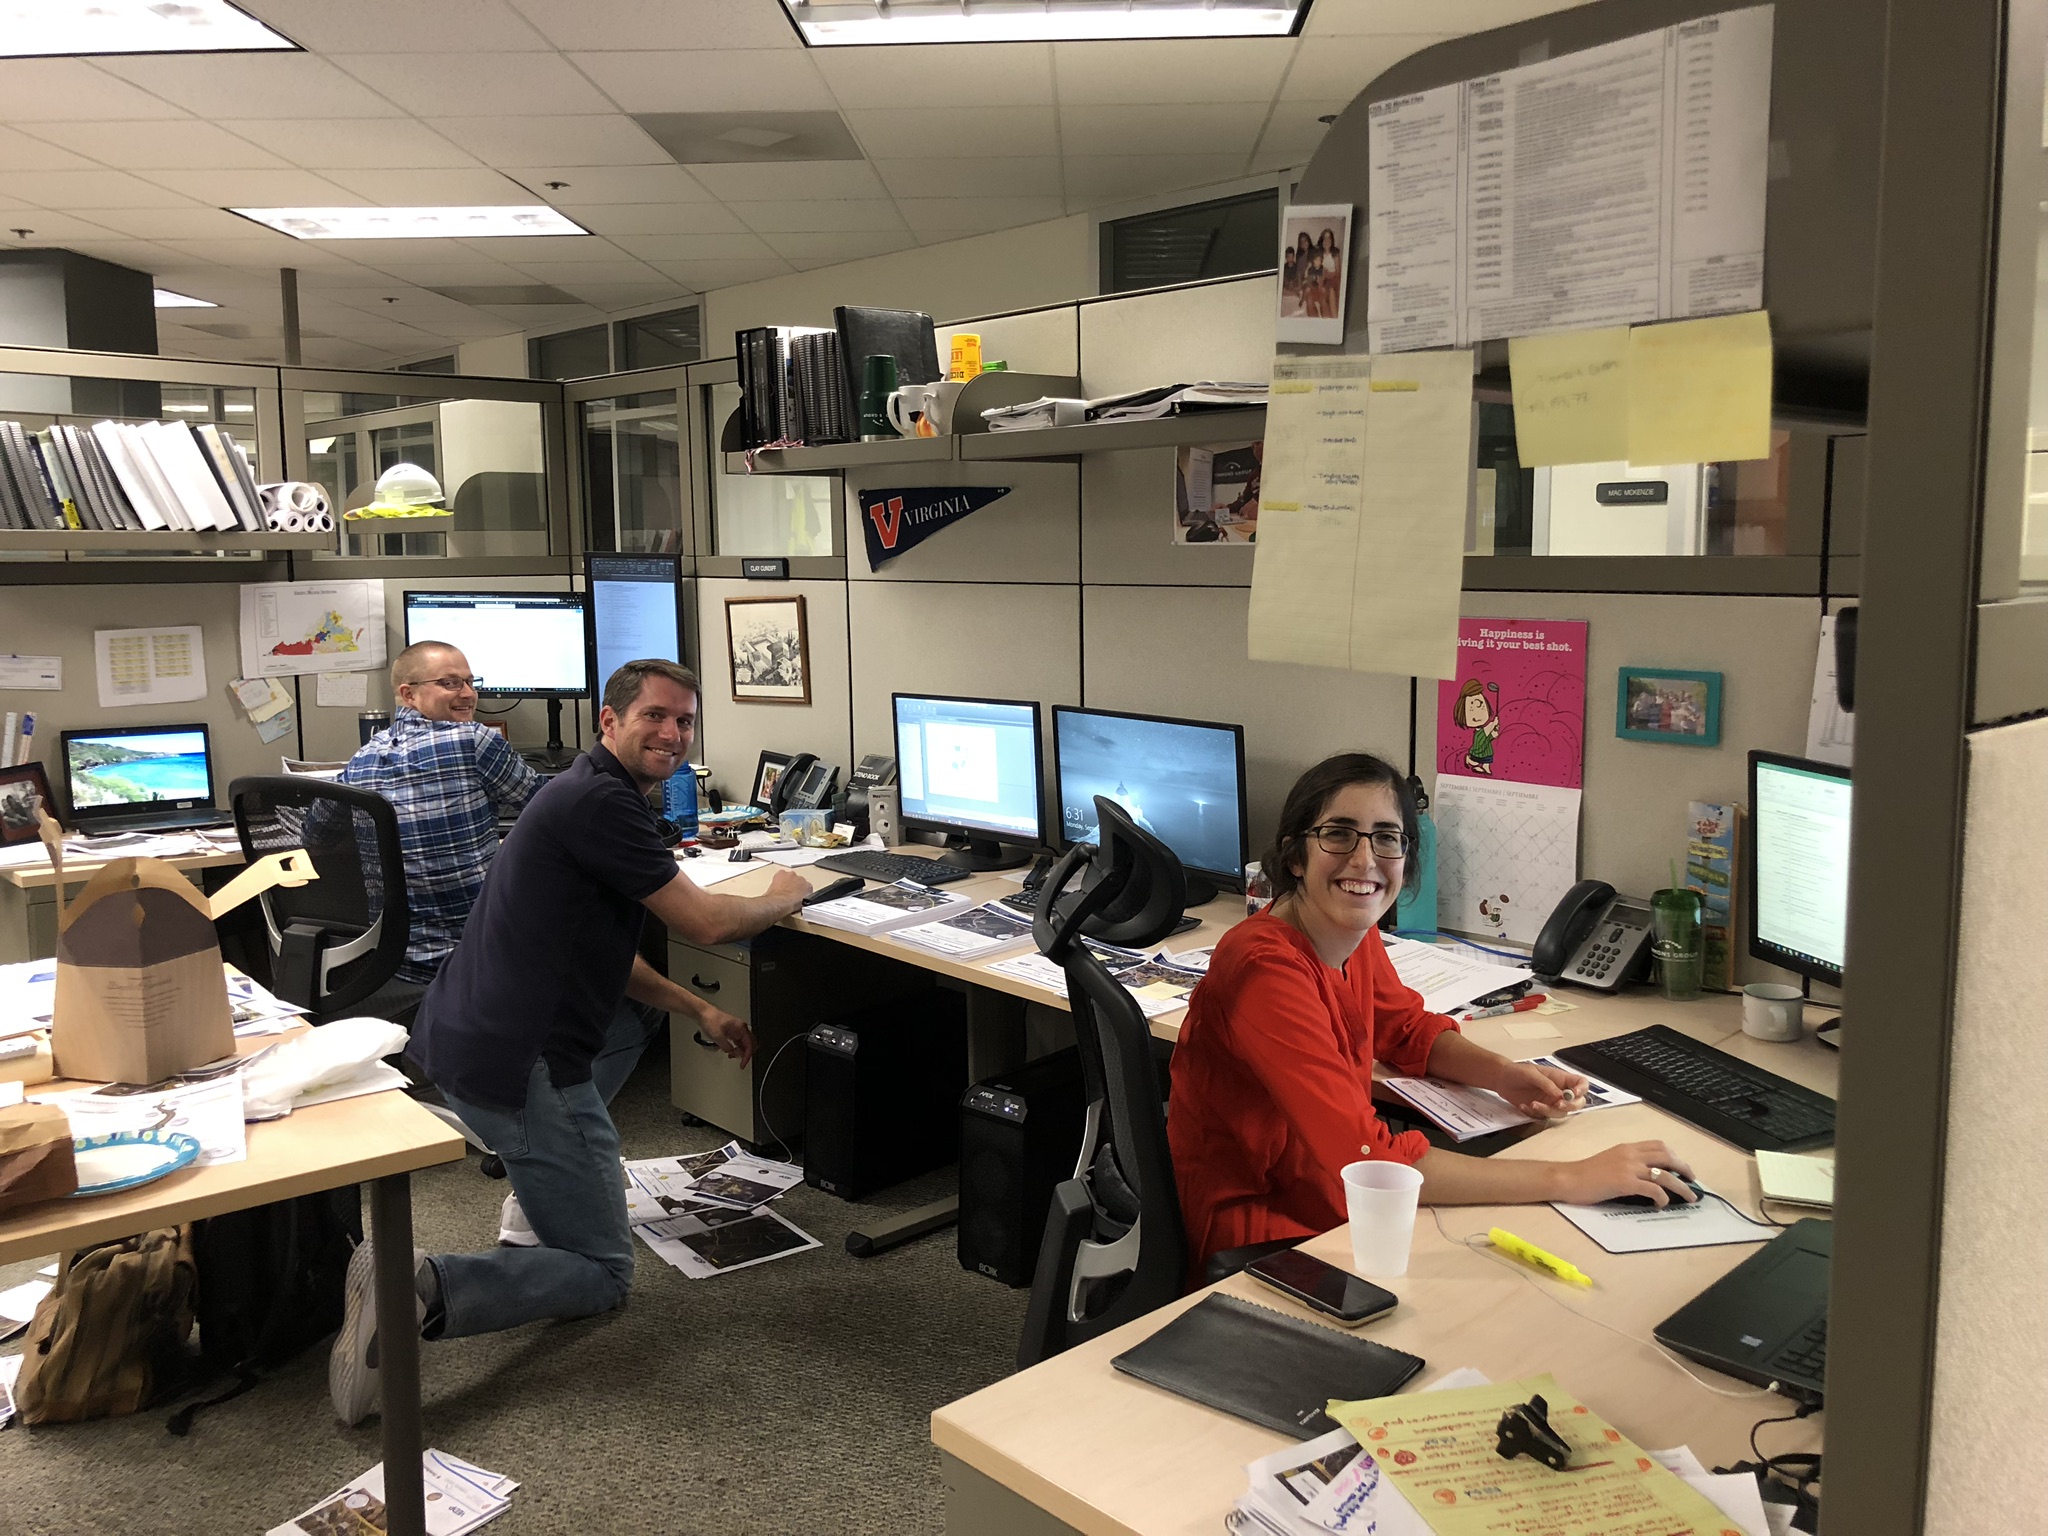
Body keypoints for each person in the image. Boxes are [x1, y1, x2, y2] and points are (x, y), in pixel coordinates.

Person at [328, 659, 812, 1426]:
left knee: (640, 1019)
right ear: (608, 722)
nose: (672, 732)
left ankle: (539, 1186)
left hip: (462, 1038)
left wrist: (698, 1008)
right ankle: (422, 1285)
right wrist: (790, 890)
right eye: (655, 715)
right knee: (603, 1272)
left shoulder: (580, 793)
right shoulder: (600, 804)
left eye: (684, 721)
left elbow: (606, 956)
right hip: (519, 1063)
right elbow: (709, 923)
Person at [1168, 752, 1696, 1281]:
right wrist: (1571, 1177)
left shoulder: (1348, 928)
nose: (1364, 859)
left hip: (1339, 1198)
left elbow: (1406, 1030)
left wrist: (1504, 1076)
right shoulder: (1266, 970)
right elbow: (1369, 1158)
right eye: (1338, 834)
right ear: (1295, 857)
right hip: (1267, 1225)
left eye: (1386, 837)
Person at [339, 641, 542, 1020]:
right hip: (477, 957)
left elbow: (318, 831)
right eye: (450, 683)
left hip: (393, 963)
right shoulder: (474, 741)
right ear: (408, 694)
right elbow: (548, 805)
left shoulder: (360, 761)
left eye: (470, 681)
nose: (468, 694)